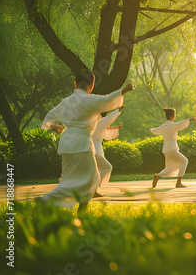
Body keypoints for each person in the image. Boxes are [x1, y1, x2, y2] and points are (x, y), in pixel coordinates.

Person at [41, 69, 134, 212]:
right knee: (92, 179)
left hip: (66, 144)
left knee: (68, 180)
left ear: (75, 83)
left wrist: (55, 128)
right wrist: (124, 91)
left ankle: (56, 208)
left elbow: (47, 120)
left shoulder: (66, 102)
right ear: (92, 85)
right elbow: (107, 100)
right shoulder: (89, 99)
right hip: (80, 143)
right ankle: (74, 210)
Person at [149, 108, 196, 188]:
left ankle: (158, 176)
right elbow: (181, 123)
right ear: (173, 115)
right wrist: (190, 119)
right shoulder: (173, 125)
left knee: (169, 167)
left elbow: (156, 130)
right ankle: (178, 183)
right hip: (172, 149)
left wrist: (151, 130)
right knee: (184, 161)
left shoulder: (164, 126)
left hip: (166, 149)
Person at [91, 105, 126, 197]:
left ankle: (93, 191)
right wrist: (119, 109)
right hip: (95, 151)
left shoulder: (89, 124)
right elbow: (109, 119)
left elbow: (105, 132)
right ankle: (92, 188)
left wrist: (115, 128)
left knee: (95, 171)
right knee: (107, 167)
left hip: (88, 149)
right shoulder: (98, 123)